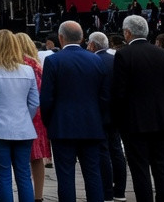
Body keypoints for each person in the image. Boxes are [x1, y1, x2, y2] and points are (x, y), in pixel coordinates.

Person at [40, 21, 107, 202]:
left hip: (62, 126)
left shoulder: (53, 61)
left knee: (65, 176)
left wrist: (49, 121)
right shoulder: (96, 60)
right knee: (93, 174)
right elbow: (104, 96)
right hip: (91, 125)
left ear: (60, 38)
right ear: (82, 38)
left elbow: (46, 98)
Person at [111, 15, 164, 202]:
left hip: (135, 121)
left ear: (127, 32)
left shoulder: (123, 55)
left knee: (140, 169)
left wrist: (118, 119)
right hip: (161, 118)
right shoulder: (163, 54)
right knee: (161, 166)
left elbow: (119, 92)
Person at [0, 30, 39, 202]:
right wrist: (24, 118)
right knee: (24, 174)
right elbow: (34, 103)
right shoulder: (28, 71)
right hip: (23, 128)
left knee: (3, 176)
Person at [86, 32, 126, 202]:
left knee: (103, 152)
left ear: (93, 45)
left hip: (99, 112)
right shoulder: (115, 59)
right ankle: (120, 191)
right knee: (116, 150)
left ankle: (107, 192)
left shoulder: (93, 61)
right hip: (116, 112)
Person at [14, 33, 52, 202]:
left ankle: (25, 192)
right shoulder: (37, 65)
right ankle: (38, 195)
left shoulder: (15, 64)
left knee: (20, 158)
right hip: (37, 115)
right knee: (37, 158)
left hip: (20, 113)